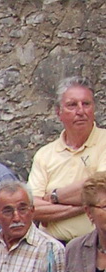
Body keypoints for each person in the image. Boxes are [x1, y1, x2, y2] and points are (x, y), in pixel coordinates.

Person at [28, 77, 105, 244]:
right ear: (58, 112)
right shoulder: (45, 154)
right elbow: (31, 208)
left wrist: (54, 196)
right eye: (72, 105)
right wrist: (83, 207)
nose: (80, 111)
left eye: (86, 104)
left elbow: (100, 190)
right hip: (52, 246)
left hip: (96, 246)